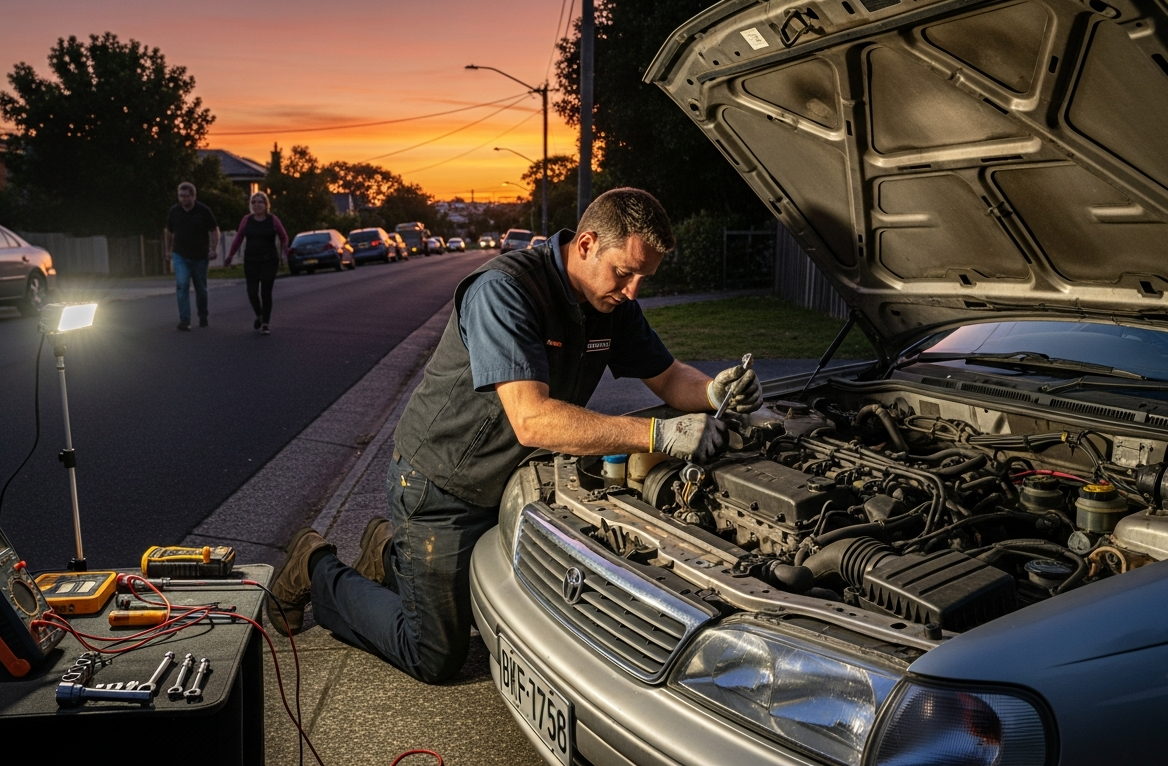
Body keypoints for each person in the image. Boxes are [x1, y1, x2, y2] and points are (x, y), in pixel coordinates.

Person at [269, 188, 761, 683]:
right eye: (625, 272)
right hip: (440, 485)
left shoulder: (609, 305)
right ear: (587, 243)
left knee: (489, 604)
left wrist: (713, 390)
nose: (633, 291)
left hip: (502, 481)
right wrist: (657, 434)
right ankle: (316, 568)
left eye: (643, 278)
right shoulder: (504, 291)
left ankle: (391, 554)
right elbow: (533, 419)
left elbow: (669, 375)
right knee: (435, 653)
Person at [225, 191, 290, 334]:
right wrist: (230, 256)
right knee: (252, 292)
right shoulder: (246, 220)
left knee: (266, 291)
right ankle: (259, 315)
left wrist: (286, 251)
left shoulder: (273, 220)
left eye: (260, 202)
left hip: (269, 260)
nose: (256, 205)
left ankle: (266, 323)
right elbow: (238, 239)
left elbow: (283, 236)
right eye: (254, 202)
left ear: (266, 205)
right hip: (251, 260)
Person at [164, 182, 220, 331]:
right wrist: (168, 250)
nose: (184, 199)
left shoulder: (203, 211)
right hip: (180, 254)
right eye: (181, 196)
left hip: (200, 256)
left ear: (193, 196)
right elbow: (169, 231)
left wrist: (213, 249)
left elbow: (214, 230)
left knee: (200, 288)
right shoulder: (174, 211)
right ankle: (185, 320)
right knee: (182, 285)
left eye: (187, 196)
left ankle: (203, 314)